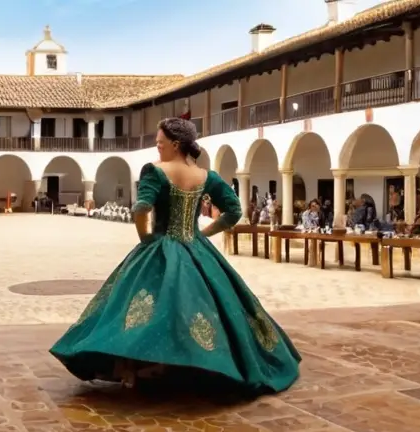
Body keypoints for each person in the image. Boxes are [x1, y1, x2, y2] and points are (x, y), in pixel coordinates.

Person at [50, 118, 301, 394]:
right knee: (204, 308)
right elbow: (233, 211)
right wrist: (203, 235)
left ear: (175, 143)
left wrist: (145, 238)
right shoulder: (206, 176)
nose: (157, 147)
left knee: (136, 308)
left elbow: (141, 209)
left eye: (160, 142)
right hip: (196, 249)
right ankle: (180, 366)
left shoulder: (155, 171)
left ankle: (134, 366)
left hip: (160, 246)